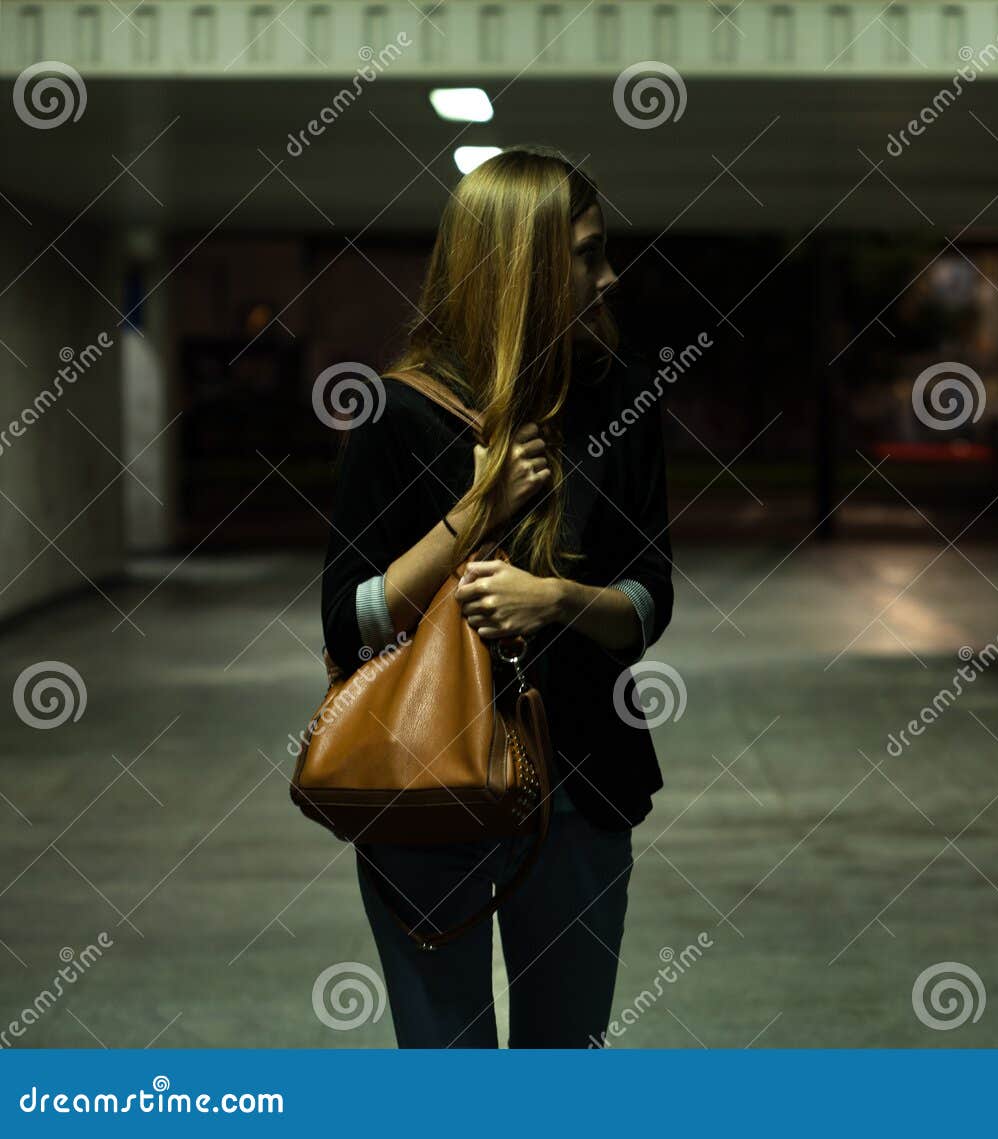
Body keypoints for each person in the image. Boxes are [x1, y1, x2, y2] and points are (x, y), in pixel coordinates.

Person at [317, 144, 674, 1048]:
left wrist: (554, 598)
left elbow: (649, 597)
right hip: (425, 780)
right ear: (523, 267)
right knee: (448, 1064)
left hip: (584, 783)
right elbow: (349, 622)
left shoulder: (619, 402)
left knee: (564, 1057)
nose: (609, 274)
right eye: (587, 255)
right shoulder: (399, 416)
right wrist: (477, 511)